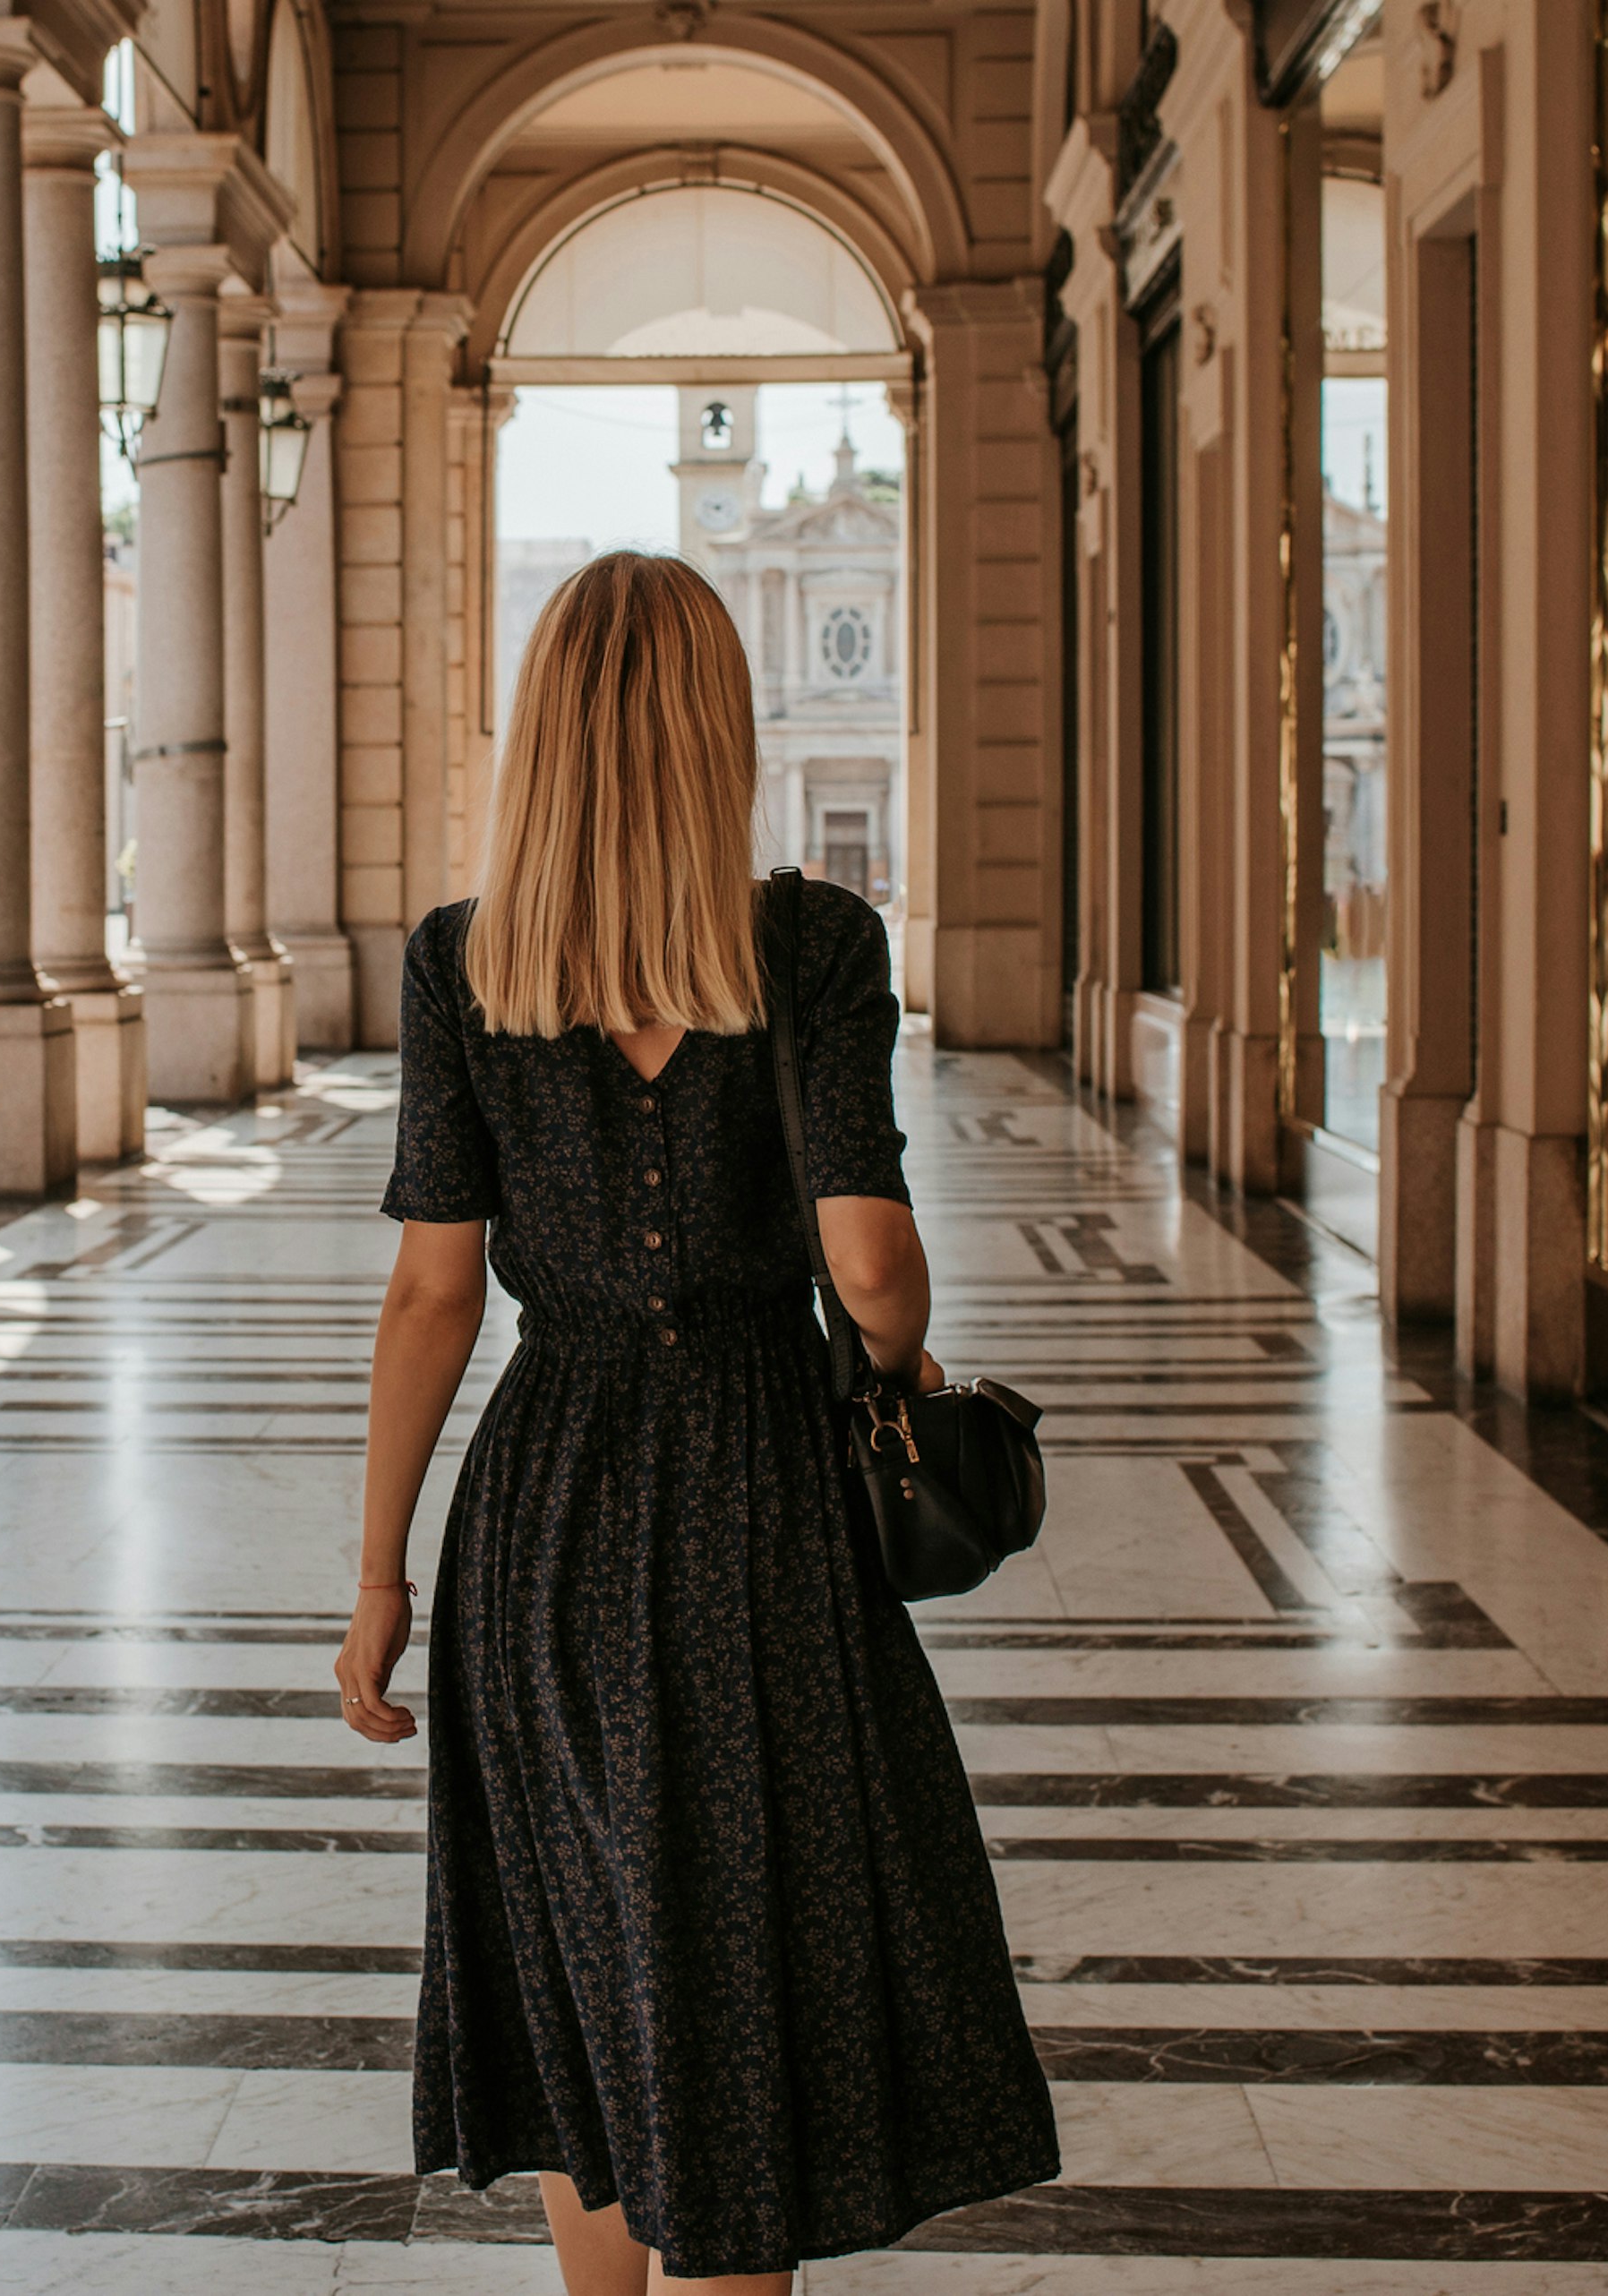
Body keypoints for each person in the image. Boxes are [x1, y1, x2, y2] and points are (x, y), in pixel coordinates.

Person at [338, 551, 1059, 2292]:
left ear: (549, 745)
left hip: (546, 1520)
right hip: (760, 1519)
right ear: (717, 732)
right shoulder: (810, 945)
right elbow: (872, 1263)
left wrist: (380, 1575)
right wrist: (898, 1358)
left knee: (581, 1967)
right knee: (747, 1987)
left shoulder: (465, 970)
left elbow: (437, 1295)